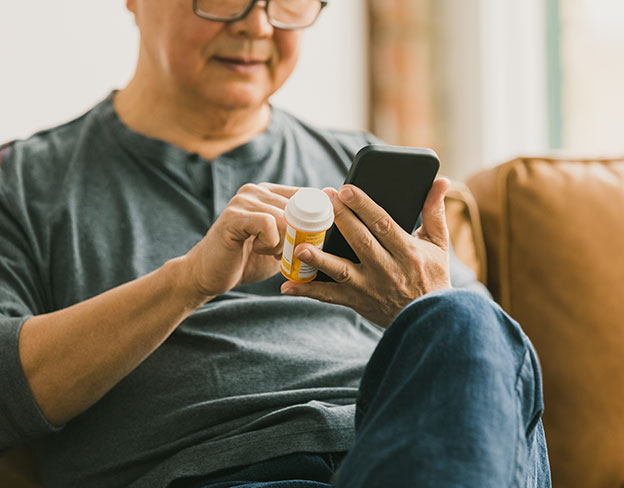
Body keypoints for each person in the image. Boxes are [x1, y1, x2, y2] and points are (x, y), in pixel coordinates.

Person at [0, 0, 551, 486]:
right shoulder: (25, 181)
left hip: (412, 446)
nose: (258, 25)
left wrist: (417, 305)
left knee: (463, 320)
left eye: (285, 1)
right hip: (225, 471)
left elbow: (497, 368)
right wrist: (187, 283)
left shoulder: (363, 170)